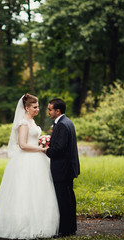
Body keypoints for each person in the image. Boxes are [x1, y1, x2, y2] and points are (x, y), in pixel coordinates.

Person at [0, 94, 59, 239]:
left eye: (38, 106)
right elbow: (23, 145)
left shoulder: (32, 121)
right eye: (35, 107)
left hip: (38, 159)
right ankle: (21, 226)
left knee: (39, 192)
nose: (38, 109)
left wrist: (43, 142)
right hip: (26, 160)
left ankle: (40, 224)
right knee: (24, 192)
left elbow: (33, 139)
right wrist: (41, 149)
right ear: (26, 108)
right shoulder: (23, 122)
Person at [44, 98, 80, 237]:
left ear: (57, 111)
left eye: (50, 109)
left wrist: (45, 150)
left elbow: (59, 148)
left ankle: (65, 230)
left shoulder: (62, 125)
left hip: (62, 169)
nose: (48, 112)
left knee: (64, 200)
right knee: (69, 198)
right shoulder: (67, 122)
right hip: (67, 168)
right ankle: (70, 227)